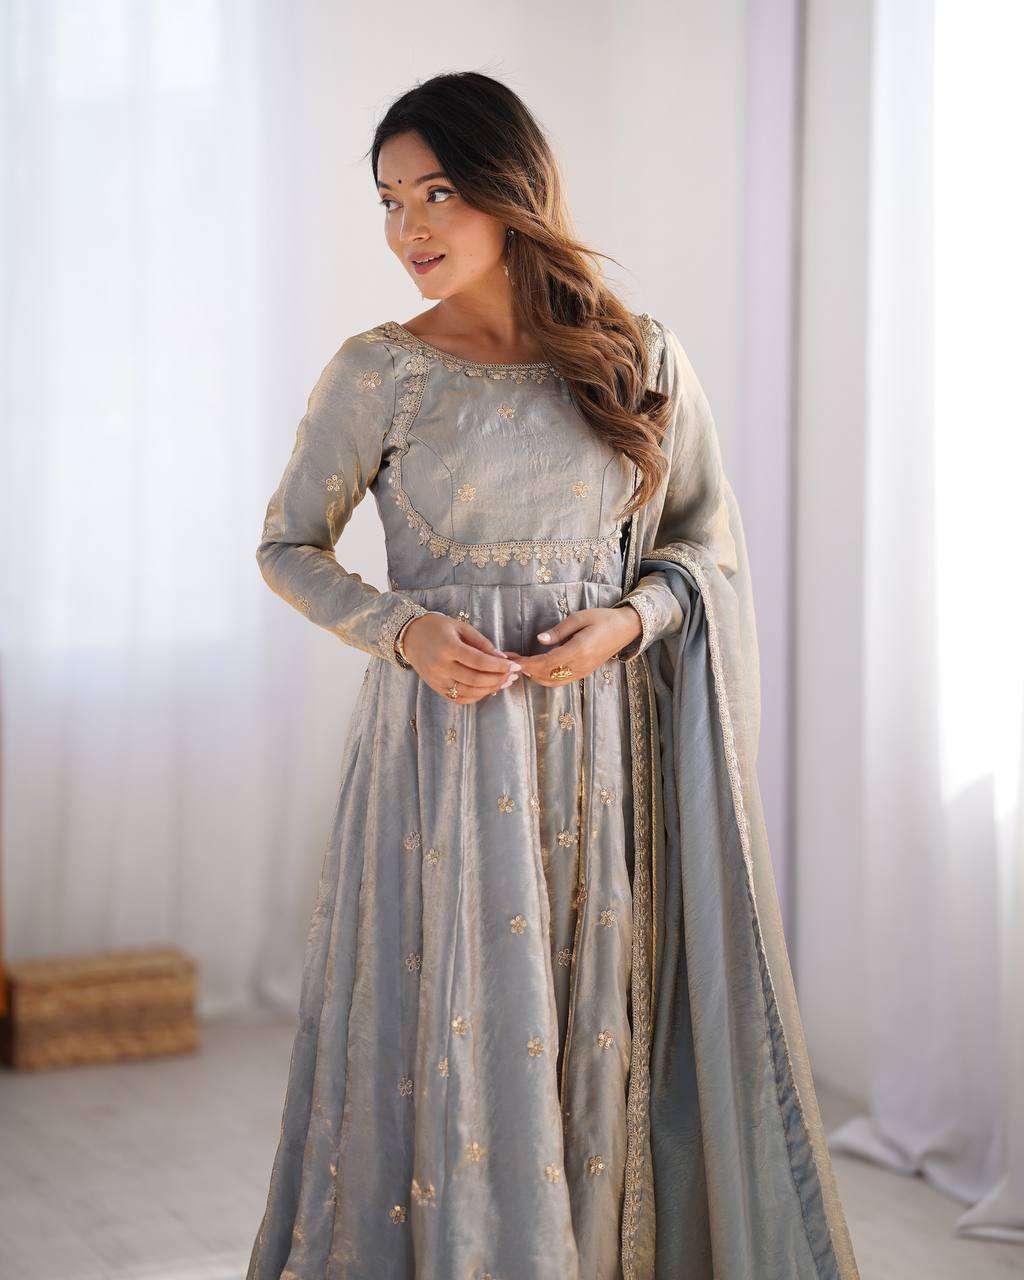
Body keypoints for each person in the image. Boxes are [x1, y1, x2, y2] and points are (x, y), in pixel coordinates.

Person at [246, 71, 860, 1280]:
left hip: (603, 763)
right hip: (442, 762)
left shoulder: (636, 355)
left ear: (510, 188)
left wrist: (628, 621)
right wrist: (401, 630)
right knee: (457, 1030)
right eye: (388, 200)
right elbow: (286, 546)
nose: (409, 227)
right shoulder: (379, 371)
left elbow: (706, 545)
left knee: (595, 1024)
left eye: (436, 192)